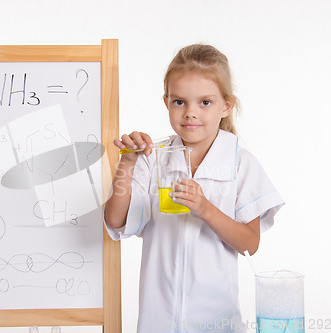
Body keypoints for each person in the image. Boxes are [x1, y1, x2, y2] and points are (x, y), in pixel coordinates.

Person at [104, 44, 285, 333]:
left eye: (205, 102)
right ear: (166, 102)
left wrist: (206, 209)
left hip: (216, 321)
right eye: (179, 102)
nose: (190, 113)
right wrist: (127, 162)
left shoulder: (240, 162)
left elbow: (250, 244)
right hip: (158, 319)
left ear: (226, 105)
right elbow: (115, 221)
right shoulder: (153, 158)